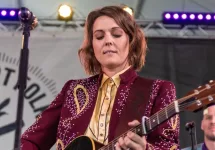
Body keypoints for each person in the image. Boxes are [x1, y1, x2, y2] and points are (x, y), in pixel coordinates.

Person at [20, 5, 180, 150]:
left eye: (116, 34)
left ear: (131, 41)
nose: (108, 41)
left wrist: (145, 149)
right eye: (99, 37)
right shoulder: (72, 90)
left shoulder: (158, 90)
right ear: (92, 46)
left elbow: (169, 147)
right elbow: (31, 140)